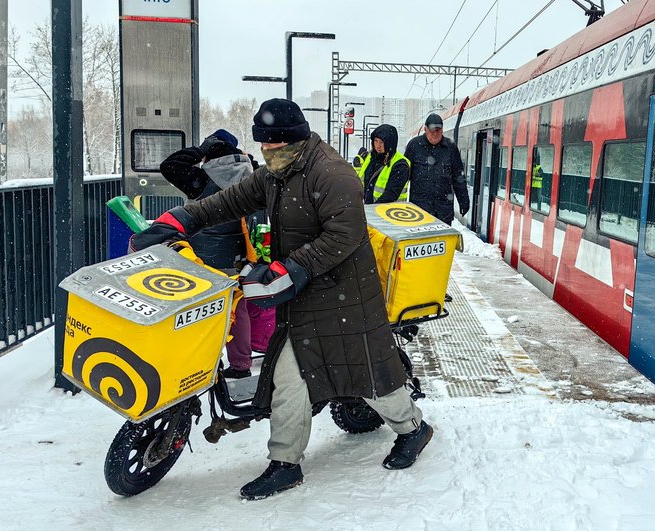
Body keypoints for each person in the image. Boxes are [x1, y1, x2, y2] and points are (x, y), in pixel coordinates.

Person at [131, 98, 433, 500]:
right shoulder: (276, 172)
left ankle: (414, 428)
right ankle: (285, 465)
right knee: (291, 379)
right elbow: (229, 200)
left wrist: (287, 269)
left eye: (275, 148)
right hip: (306, 294)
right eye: (264, 148)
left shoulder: (333, 175)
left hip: (346, 297)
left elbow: (342, 236)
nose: (267, 155)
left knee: (370, 378)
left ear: (296, 141)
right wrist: (179, 220)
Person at [157, 129, 268, 380]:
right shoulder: (251, 176)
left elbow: (170, 165)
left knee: (202, 310)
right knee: (236, 309)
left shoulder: (201, 178)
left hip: (203, 257)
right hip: (238, 257)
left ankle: (204, 363)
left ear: (210, 154)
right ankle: (240, 365)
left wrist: (200, 150)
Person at [403, 113, 470, 225]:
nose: (435, 134)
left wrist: (464, 201)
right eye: (432, 131)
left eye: (438, 131)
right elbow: (404, 176)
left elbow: (458, 176)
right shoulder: (414, 146)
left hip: (443, 211)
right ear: (425, 129)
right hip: (419, 210)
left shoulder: (450, 147)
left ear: (442, 130)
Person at [358, 124, 410, 204]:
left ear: (390, 143)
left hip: (389, 212)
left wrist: (373, 209)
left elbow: (391, 194)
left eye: (382, 142)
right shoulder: (371, 157)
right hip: (369, 209)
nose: (378, 145)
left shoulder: (400, 165)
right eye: (376, 141)